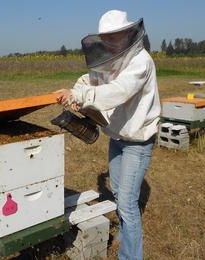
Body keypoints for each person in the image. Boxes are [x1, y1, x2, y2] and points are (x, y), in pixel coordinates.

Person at [55, 10, 161, 260]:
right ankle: (127, 232)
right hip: (117, 138)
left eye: (114, 36)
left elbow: (118, 91)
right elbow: (90, 80)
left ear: (127, 33)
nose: (110, 41)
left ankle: (130, 256)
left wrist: (81, 97)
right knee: (119, 193)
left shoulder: (140, 62)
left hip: (138, 141)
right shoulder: (111, 59)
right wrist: (76, 91)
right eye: (106, 37)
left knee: (126, 202)